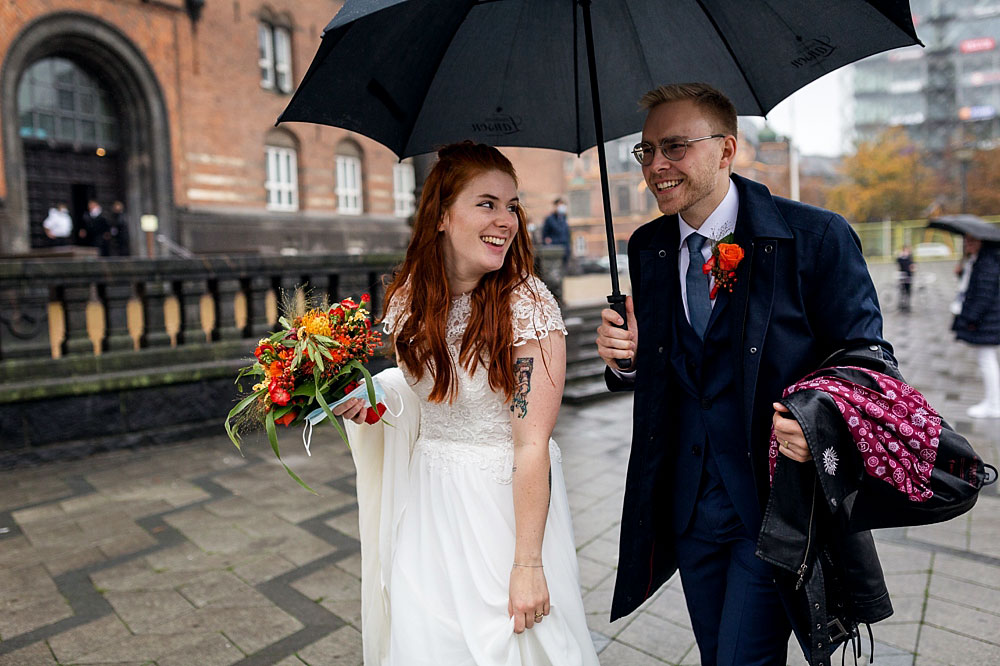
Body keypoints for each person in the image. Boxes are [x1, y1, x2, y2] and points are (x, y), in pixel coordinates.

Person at [595, 83, 893, 665]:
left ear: (727, 150)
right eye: (646, 150)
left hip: (773, 506)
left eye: (675, 147)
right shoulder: (648, 247)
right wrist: (626, 358)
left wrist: (816, 423)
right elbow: (670, 370)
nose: (657, 166)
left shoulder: (815, 237)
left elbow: (868, 359)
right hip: (687, 508)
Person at [333, 142, 599, 665]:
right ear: (441, 215)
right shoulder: (412, 298)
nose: (507, 220)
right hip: (427, 500)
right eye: (487, 203)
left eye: (512, 205)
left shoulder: (527, 307)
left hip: (503, 510)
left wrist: (527, 565)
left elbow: (531, 445)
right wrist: (374, 401)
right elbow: (421, 397)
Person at [952, 234, 1000, 419]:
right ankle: (992, 401)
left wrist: (970, 319)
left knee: (987, 361)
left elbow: (983, 295)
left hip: (986, 321)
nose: (968, 244)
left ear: (982, 241)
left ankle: (994, 404)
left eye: (972, 241)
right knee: (986, 361)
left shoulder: (987, 262)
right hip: (986, 320)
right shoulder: (978, 260)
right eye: (966, 241)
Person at [541, 197, 570, 266]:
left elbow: (566, 233)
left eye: (563, 205)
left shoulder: (564, 218)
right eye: (560, 205)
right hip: (554, 248)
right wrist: (547, 241)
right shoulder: (549, 219)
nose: (562, 207)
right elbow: (545, 234)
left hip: (565, 247)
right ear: (555, 206)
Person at [896, 244, 915, 312]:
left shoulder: (910, 257)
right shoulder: (901, 257)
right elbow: (898, 263)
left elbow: (912, 265)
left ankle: (907, 305)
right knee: (902, 290)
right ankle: (901, 304)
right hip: (902, 275)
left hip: (909, 276)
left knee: (908, 290)